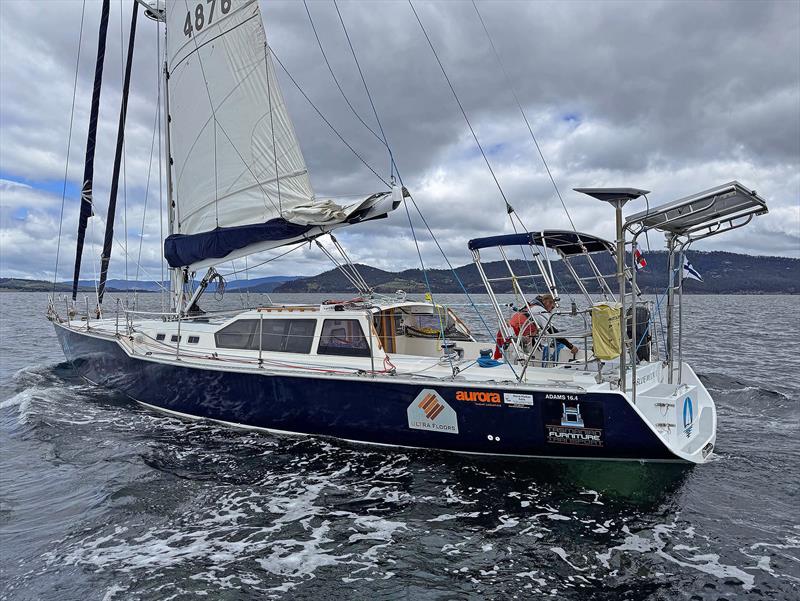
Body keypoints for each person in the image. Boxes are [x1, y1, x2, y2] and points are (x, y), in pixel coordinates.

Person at [526, 294, 579, 359]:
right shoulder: (540, 311)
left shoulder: (532, 307)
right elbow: (552, 331)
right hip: (523, 338)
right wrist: (570, 346)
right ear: (547, 302)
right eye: (552, 307)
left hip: (518, 336)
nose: (551, 311)